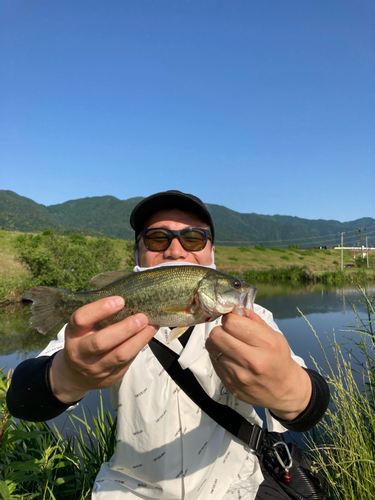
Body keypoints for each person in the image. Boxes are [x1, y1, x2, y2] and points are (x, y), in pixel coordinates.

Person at [7, 190, 330, 500]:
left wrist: (290, 388)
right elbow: (23, 400)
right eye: (157, 239)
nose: (176, 250)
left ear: (212, 252)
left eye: (193, 239)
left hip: (243, 483)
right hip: (129, 491)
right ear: (137, 253)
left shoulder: (252, 318)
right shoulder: (97, 321)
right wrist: (68, 375)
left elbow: (307, 407)